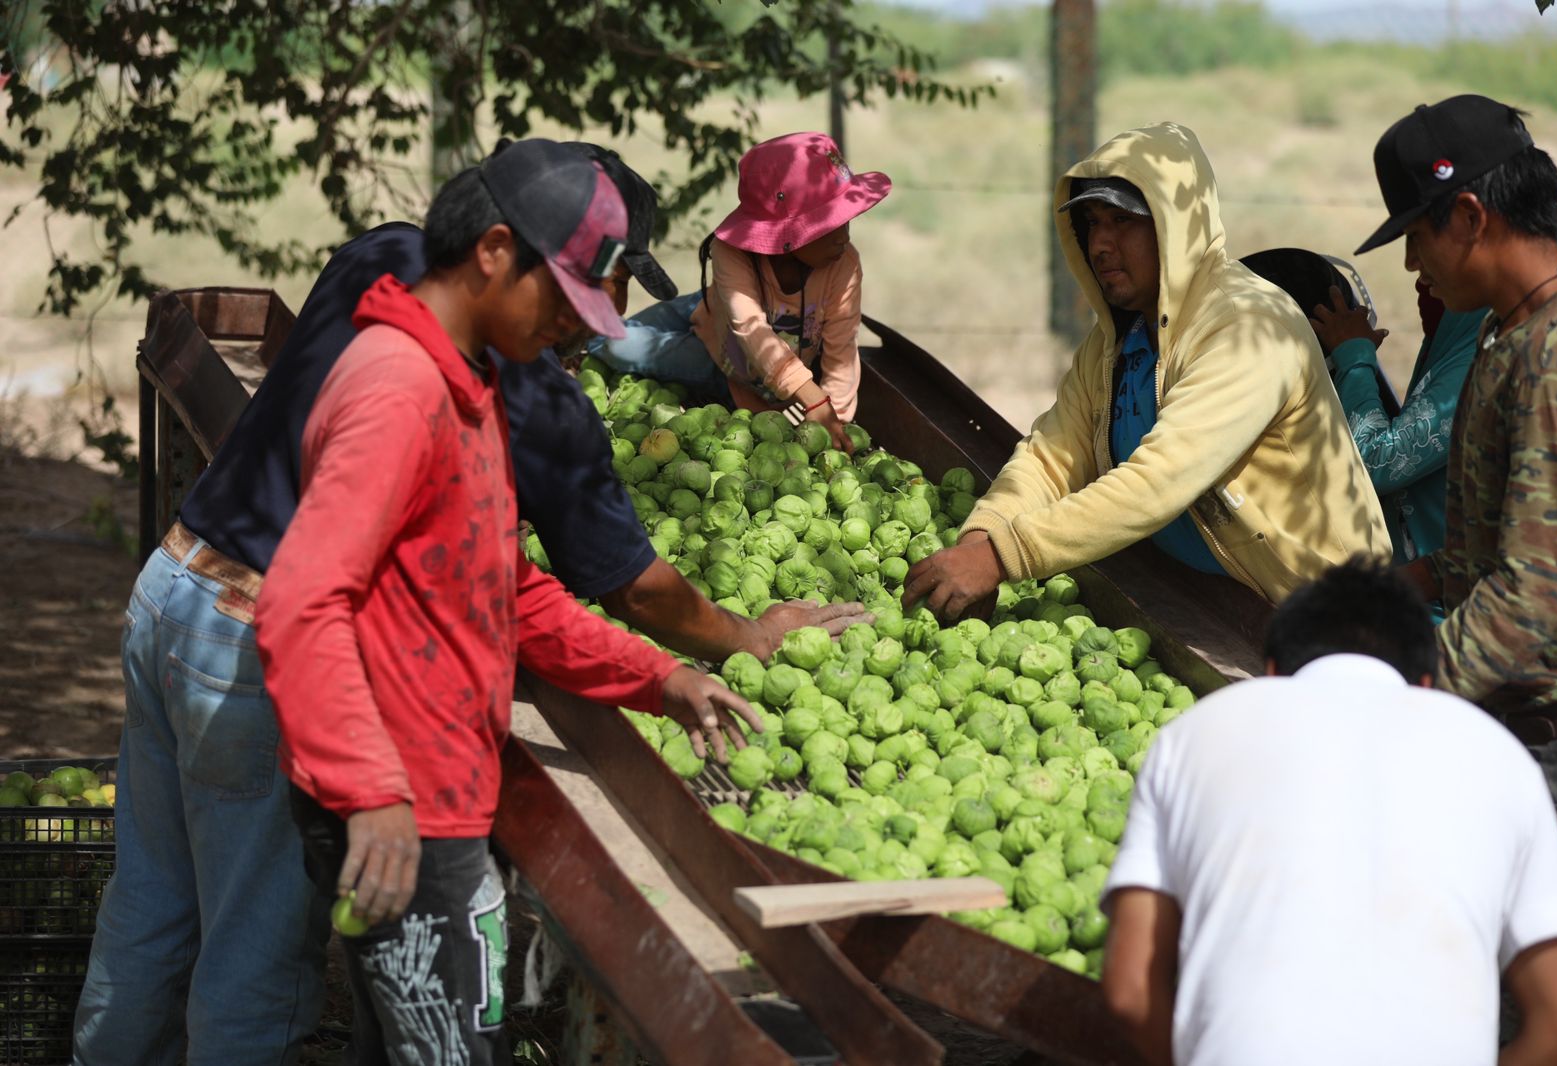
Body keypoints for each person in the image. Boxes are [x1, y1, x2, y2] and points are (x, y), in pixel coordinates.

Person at [69, 141, 788, 1066]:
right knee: (255, 976)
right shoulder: (402, 391)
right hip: (260, 654)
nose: (578, 335)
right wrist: (371, 794)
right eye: (568, 303)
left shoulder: (460, 372)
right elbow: (304, 600)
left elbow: (498, 582)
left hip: (181, 586)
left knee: (154, 914)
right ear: (493, 252)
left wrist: (657, 677)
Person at [1100, 559, 1557, 1066]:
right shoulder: (1498, 755)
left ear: (1273, 672)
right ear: (1425, 682)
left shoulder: (1192, 735)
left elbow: (1130, 992)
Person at [903, 123, 1388, 620]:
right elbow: (1053, 456)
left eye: (1122, 220)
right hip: (1218, 606)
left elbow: (1158, 480)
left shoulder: (1248, 328)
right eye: (1092, 222)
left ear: (1175, 225)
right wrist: (984, 534)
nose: (1100, 244)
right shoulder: (1118, 341)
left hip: (1327, 616)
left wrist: (1003, 557)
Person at [1355, 95, 1557, 838]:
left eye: (1416, 233)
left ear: (1469, 216)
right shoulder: (1510, 334)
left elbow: (1527, 598)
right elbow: (1482, 556)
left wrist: (1401, 693)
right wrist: (1374, 602)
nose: (1410, 261)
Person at [1313, 208, 1557, 563]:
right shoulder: (1464, 339)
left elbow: (1378, 462)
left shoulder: (1482, 364)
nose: (1413, 266)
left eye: (1423, 241)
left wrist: (1353, 355)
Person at [589, 131, 891, 451]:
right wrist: (813, 399)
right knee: (602, 336)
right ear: (782, 236)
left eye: (846, 221)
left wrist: (836, 421)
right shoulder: (731, 252)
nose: (843, 237)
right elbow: (749, 327)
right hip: (721, 312)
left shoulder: (843, 263)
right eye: (829, 225)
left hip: (726, 367)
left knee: (616, 344)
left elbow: (842, 352)